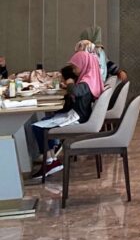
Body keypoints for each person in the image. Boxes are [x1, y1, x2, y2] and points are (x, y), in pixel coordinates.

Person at [32, 49, 105, 177]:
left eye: (74, 66)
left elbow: (76, 92)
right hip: (79, 114)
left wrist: (70, 83)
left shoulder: (86, 82)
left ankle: (50, 161)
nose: (73, 70)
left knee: (37, 127)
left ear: (83, 64)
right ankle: (52, 159)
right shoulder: (90, 78)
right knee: (44, 121)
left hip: (78, 117)